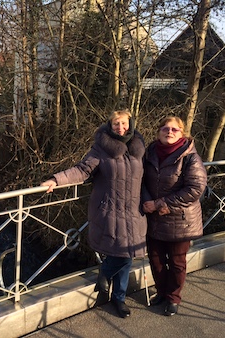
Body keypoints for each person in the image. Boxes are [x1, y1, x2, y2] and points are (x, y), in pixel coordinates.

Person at [41, 109, 147, 318]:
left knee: (127, 255)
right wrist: (56, 180)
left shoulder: (140, 148)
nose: (120, 127)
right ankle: (115, 291)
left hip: (135, 210)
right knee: (122, 254)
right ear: (110, 126)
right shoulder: (101, 149)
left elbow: (149, 176)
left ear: (131, 124)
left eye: (124, 123)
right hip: (110, 211)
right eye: (116, 123)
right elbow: (82, 170)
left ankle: (114, 288)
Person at [142, 116, 207, 316]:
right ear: (158, 132)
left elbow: (196, 188)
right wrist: (147, 202)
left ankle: (174, 298)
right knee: (156, 259)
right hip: (154, 218)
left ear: (182, 133)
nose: (169, 132)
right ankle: (161, 292)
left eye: (174, 129)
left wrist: (161, 204)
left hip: (180, 220)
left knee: (177, 262)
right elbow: (141, 180)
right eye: (165, 128)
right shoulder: (149, 153)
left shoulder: (190, 157)